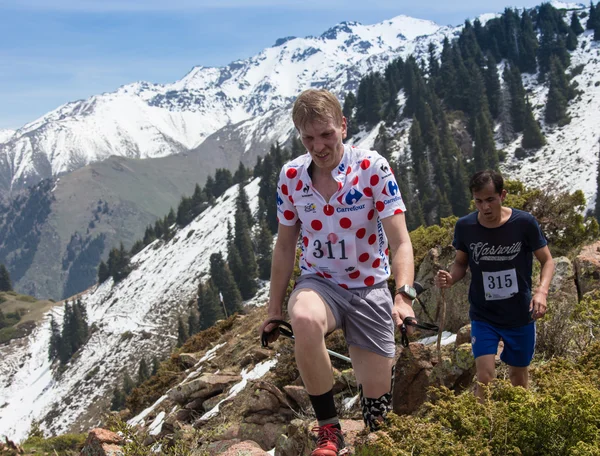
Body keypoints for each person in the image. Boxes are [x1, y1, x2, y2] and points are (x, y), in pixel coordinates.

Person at [258, 88, 415, 456]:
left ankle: (371, 433)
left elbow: (401, 242)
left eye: (326, 134)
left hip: (369, 287)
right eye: (308, 138)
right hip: (319, 284)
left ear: (343, 126)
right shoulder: (292, 176)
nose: (319, 146)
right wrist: (273, 311)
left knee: (378, 415)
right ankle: (329, 431)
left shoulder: (373, 168)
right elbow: (284, 247)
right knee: (304, 319)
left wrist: (403, 296)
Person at [434, 170, 554, 401]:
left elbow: (547, 260)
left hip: (520, 314)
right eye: (479, 201)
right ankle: (481, 431)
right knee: (485, 376)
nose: (485, 207)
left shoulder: (524, 223)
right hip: (484, 315)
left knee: (518, 380)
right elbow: (460, 262)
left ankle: (517, 426)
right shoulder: (465, 227)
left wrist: (541, 292)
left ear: (503, 196)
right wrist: (450, 278)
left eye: (490, 199)